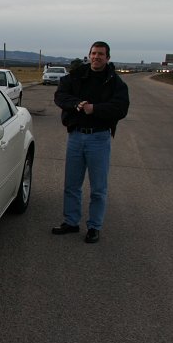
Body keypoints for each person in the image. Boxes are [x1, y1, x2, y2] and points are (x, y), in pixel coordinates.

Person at [52, 41, 130, 243]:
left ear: (108, 58)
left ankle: (94, 227)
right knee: (71, 185)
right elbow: (60, 96)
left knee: (98, 188)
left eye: (101, 54)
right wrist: (76, 104)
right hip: (76, 136)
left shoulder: (115, 82)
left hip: (99, 138)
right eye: (93, 53)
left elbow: (121, 108)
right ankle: (71, 222)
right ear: (89, 55)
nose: (96, 57)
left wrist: (95, 109)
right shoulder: (76, 75)